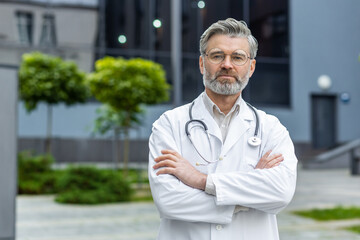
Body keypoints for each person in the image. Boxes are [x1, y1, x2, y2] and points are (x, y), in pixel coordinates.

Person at [148, 18, 297, 240]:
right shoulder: (169, 124)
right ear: (201, 63)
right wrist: (247, 196)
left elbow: (281, 192)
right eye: (217, 56)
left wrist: (201, 181)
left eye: (237, 57)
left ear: (251, 67)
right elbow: (169, 201)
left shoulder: (271, 129)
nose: (227, 64)